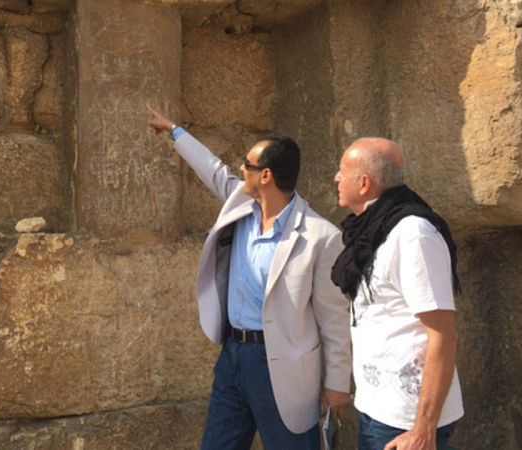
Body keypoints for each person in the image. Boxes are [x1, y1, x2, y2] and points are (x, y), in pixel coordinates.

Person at [148, 107, 351, 450]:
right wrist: (174, 131)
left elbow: (334, 318)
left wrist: (337, 384)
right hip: (233, 356)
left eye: (248, 165)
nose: (241, 170)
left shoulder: (321, 236)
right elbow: (212, 169)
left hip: (281, 364)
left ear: (267, 176)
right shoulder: (240, 205)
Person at [330, 138, 464, 450]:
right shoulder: (373, 231)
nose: (336, 177)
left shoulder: (413, 234)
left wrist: (423, 429)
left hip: (407, 421)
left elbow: (443, 335)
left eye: (342, 171)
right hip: (378, 409)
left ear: (364, 183)